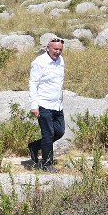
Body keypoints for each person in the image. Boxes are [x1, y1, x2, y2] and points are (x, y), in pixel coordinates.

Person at [27, 34, 66, 169]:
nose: (58, 52)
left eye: (60, 49)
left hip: (57, 104)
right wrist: (34, 106)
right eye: (55, 49)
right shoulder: (39, 62)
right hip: (43, 104)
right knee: (48, 134)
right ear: (47, 48)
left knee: (59, 132)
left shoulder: (61, 61)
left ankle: (34, 146)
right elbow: (33, 83)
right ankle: (47, 164)